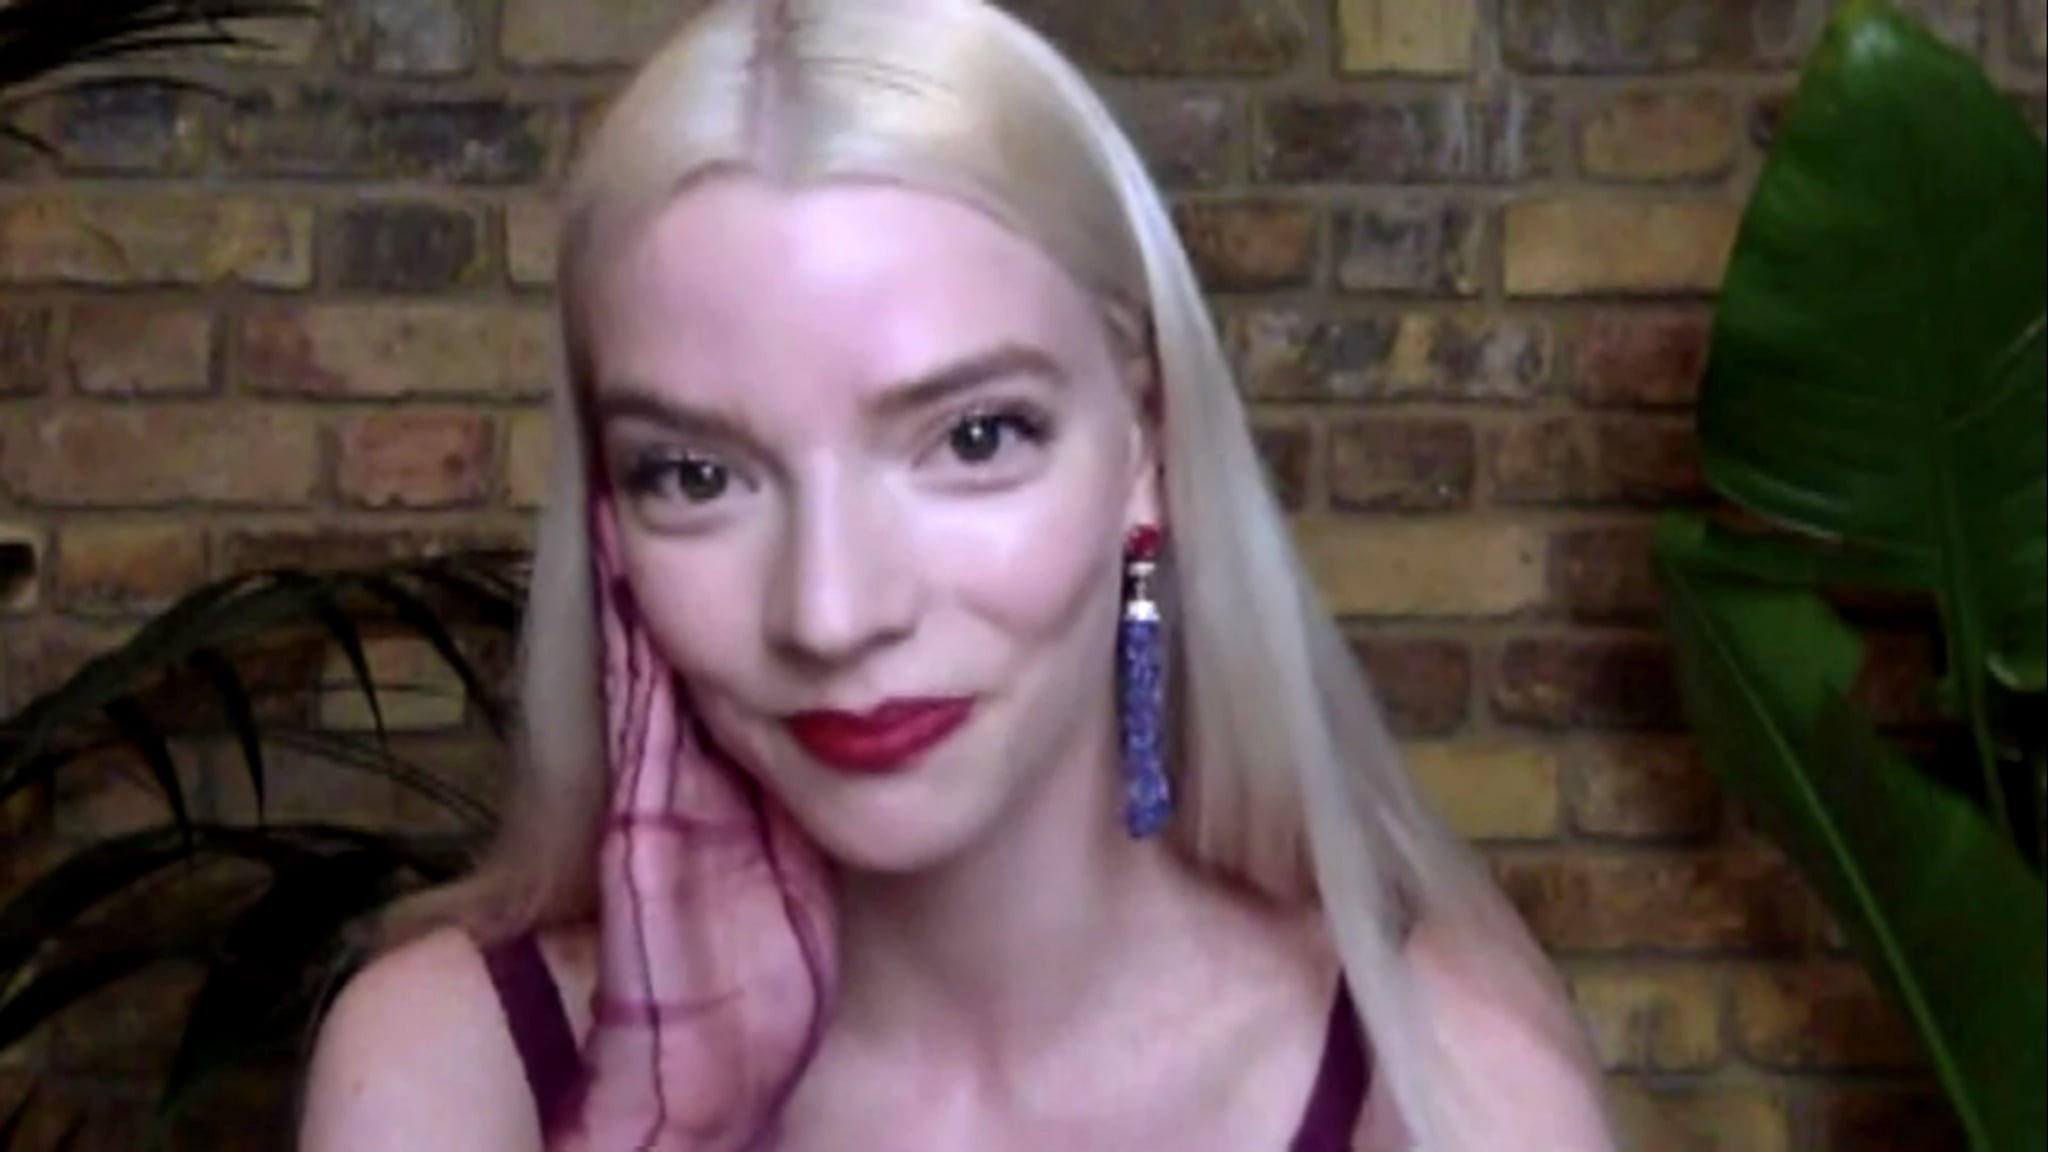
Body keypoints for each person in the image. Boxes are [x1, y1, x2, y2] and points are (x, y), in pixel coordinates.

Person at [298, 1, 1620, 1148]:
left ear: (1147, 451)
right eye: (696, 476)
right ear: (608, 528)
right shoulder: (450, 1067)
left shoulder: (1449, 1078)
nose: (831, 610)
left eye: (974, 439)